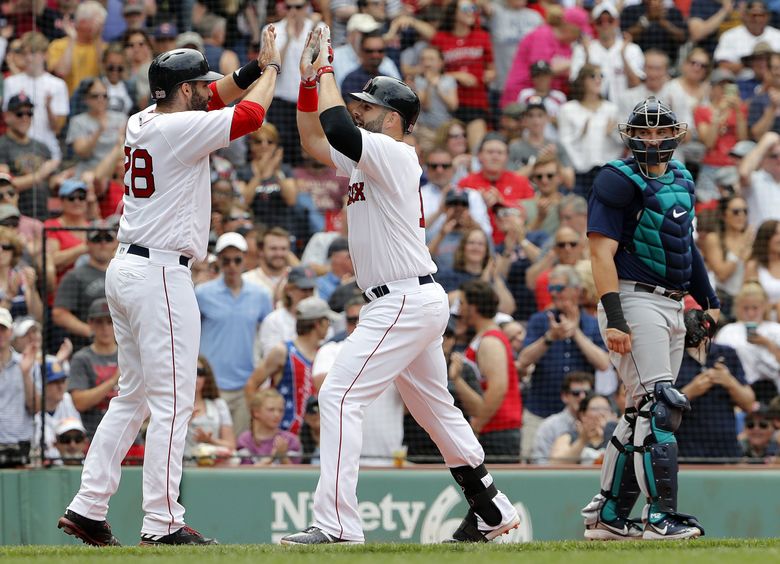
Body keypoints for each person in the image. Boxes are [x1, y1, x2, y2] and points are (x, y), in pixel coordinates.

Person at [282, 26, 519, 545]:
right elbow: (312, 138)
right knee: (436, 410)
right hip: (405, 298)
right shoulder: (372, 155)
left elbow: (340, 130)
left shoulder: (395, 152)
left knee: (340, 393)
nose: (358, 110)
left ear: (392, 118)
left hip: (404, 299)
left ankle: (338, 525)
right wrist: (306, 81)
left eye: (367, 106)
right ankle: (491, 508)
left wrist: (323, 69)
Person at [58, 30, 282, 547]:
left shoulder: (145, 118)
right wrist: (272, 72)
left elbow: (223, 95)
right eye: (199, 85)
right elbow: (249, 116)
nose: (209, 89)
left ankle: (89, 506)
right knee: (174, 400)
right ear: (183, 91)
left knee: (132, 395)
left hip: (129, 268)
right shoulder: (181, 127)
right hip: (158, 274)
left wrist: (252, 66)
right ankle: (162, 522)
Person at [581, 96, 720, 541]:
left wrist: (709, 301)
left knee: (641, 409)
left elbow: (685, 244)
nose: (653, 139)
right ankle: (660, 518)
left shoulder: (681, 176)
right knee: (661, 405)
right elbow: (599, 254)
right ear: (631, 135)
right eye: (644, 131)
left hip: (675, 302)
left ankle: (608, 515)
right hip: (632, 297)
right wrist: (616, 318)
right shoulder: (616, 179)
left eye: (661, 131)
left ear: (676, 135)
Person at [196, 232, 272, 436]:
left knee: (237, 448)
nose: (231, 266)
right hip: (210, 387)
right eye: (226, 260)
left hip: (244, 385)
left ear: (245, 260)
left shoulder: (261, 295)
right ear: (219, 261)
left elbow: (268, 337)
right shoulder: (202, 293)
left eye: (237, 260)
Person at [449, 280, 522, 462]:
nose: (460, 309)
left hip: (498, 434)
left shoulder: (490, 341)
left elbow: (498, 388)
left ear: (473, 308)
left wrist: (478, 425)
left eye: (463, 304)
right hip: (493, 431)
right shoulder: (482, 337)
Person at [245, 296, 337, 434]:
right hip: (284, 437)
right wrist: (259, 422)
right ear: (318, 323)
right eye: (327, 321)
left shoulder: (325, 353)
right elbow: (251, 385)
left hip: (317, 436)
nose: (329, 326)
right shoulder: (283, 351)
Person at [675, 340, 753, 462]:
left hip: (726, 451)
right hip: (684, 450)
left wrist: (729, 382)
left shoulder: (727, 353)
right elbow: (659, 408)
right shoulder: (672, 355)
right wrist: (690, 391)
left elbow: (749, 404)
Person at [52, 222, 117, 351]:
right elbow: (59, 314)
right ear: (87, 244)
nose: (103, 243)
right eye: (97, 239)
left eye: (108, 239)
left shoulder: (123, 274)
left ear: (115, 243)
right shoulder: (75, 276)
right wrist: (91, 332)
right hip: (86, 349)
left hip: (121, 348)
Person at [0, 307, 38, 468]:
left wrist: (25, 373)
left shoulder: (27, 363)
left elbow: (35, 407)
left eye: (3, 329)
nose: (0, 334)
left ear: (11, 331)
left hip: (20, 446)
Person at [530, 371, 594, 464]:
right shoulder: (550, 426)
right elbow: (539, 463)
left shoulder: (599, 422)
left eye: (587, 393)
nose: (582, 397)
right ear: (565, 396)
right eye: (576, 393)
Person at [185, 356, 236, 464]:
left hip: (214, 467)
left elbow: (231, 445)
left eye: (200, 372)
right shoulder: (172, 405)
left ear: (206, 377)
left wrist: (209, 441)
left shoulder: (219, 405)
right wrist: (183, 424)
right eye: (191, 371)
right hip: (182, 466)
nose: (196, 377)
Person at [237, 389, 302, 465]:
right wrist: (272, 457)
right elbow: (245, 474)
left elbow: (295, 475)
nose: (277, 415)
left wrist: (283, 457)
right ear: (256, 412)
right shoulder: (245, 440)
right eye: (271, 410)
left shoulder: (290, 440)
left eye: (281, 410)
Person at [549, 392, 617, 465]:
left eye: (605, 409)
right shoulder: (568, 437)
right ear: (582, 414)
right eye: (595, 409)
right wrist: (582, 441)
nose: (601, 413)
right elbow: (555, 464)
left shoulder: (618, 435)